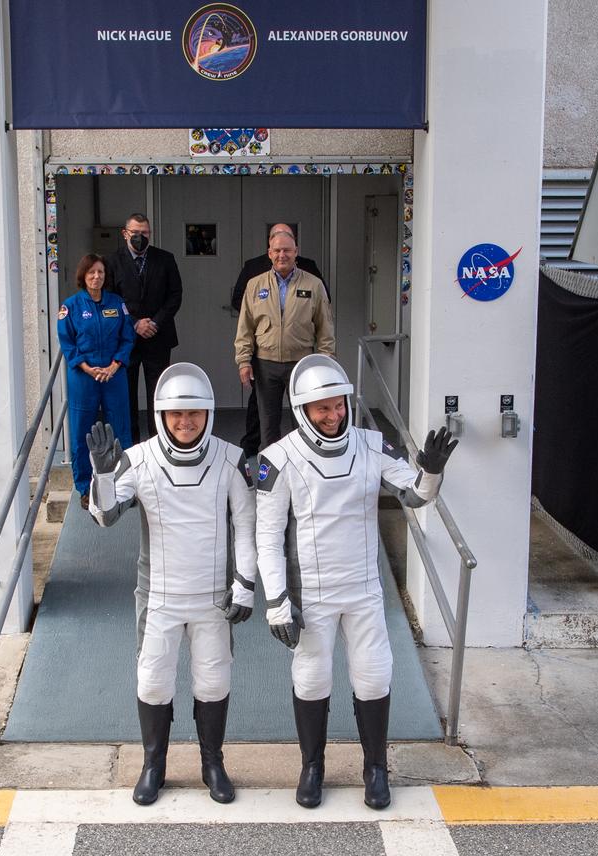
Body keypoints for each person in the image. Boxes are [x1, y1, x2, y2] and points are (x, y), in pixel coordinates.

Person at [255, 355, 456, 811]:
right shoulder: (277, 458)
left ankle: (375, 768)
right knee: (311, 678)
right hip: (312, 595)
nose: (334, 416)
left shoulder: (371, 444)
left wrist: (432, 469)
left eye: (339, 405)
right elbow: (266, 535)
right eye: (322, 409)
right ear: (302, 409)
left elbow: (414, 495)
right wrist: (276, 601)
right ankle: (312, 766)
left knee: (374, 676)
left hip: (364, 590)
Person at [86, 363, 257, 807]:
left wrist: (245, 584)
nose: (185, 422)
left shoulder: (230, 458)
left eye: (195, 413)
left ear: (209, 413)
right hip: (159, 597)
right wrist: (103, 475)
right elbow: (104, 516)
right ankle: (153, 766)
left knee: (213, 681)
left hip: (213, 599)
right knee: (153, 682)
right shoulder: (138, 459)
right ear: (161, 414)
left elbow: (248, 524)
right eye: (176, 414)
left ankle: (212, 764)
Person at [230, 223, 326, 456]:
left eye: (287, 250)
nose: (282, 255)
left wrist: (326, 363)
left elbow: (325, 328)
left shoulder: (313, 284)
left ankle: (304, 475)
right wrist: (243, 361)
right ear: (269, 253)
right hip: (266, 365)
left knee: (303, 423)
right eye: (277, 251)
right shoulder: (255, 285)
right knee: (268, 427)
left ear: (296, 252)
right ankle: (269, 482)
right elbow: (245, 327)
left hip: (301, 364)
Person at [57, 253, 134, 506]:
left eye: (100, 272)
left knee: (120, 429)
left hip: (114, 375)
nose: (96, 277)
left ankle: (124, 484)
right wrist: (88, 368)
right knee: (82, 432)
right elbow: (67, 343)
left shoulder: (117, 303)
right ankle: (85, 488)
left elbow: (127, 338)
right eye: (91, 273)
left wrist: (115, 365)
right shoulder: (71, 307)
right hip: (83, 377)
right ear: (83, 276)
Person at [106, 213, 183, 445]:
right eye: (135, 233)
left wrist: (155, 322)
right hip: (126, 340)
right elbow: (110, 300)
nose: (140, 237)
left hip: (158, 338)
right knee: (126, 396)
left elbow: (175, 295)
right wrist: (135, 323)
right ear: (125, 233)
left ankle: (158, 445)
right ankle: (131, 447)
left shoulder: (165, 259)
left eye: (145, 233)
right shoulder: (111, 262)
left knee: (157, 395)